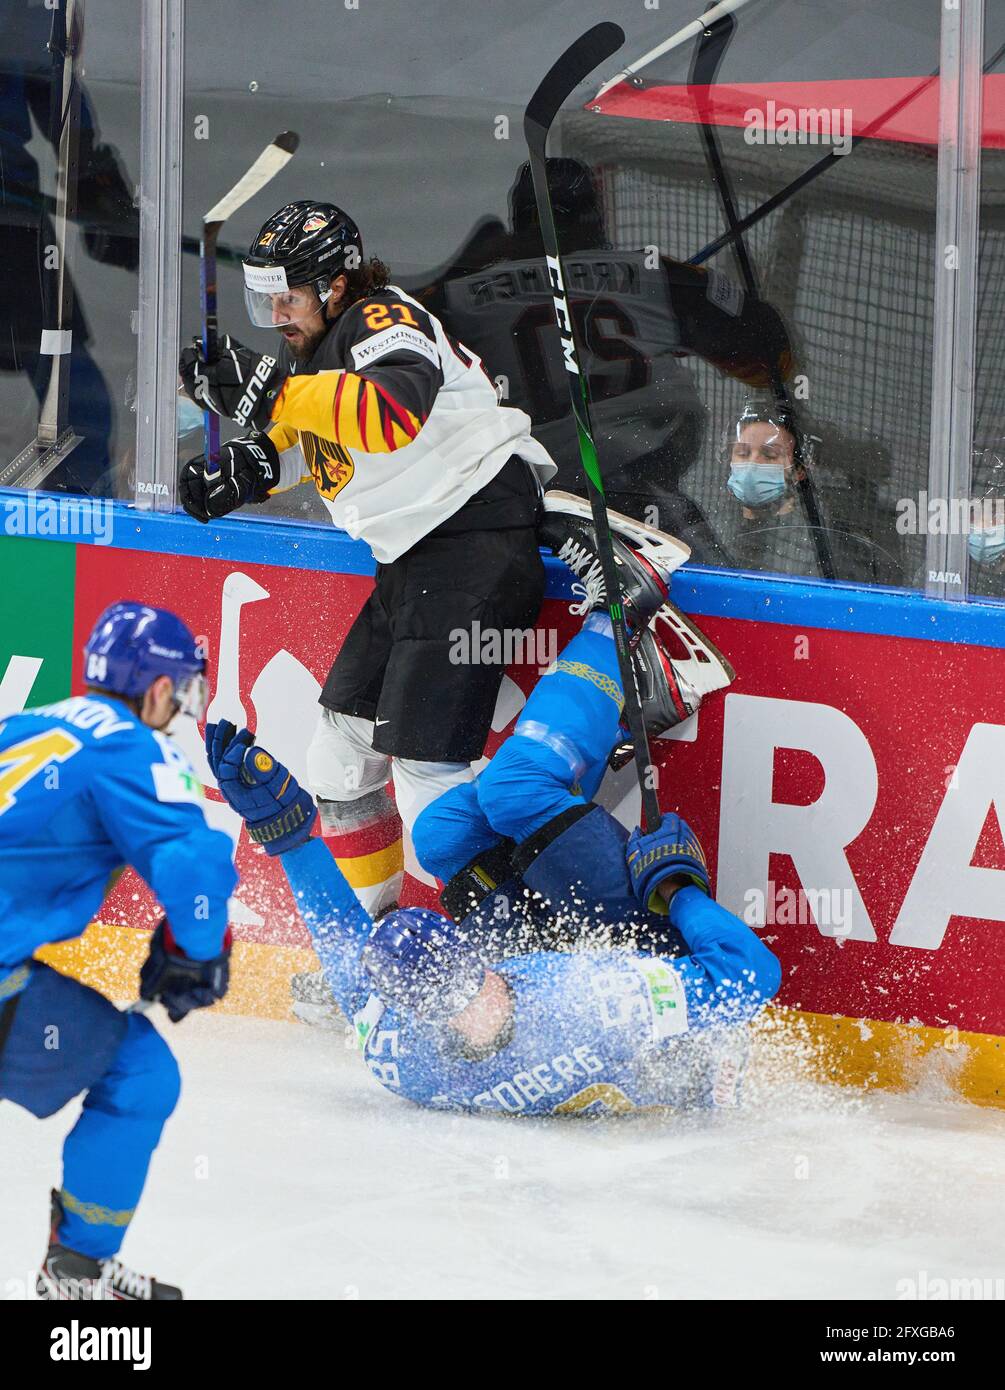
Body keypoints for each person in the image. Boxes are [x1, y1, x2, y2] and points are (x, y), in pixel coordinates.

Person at [207, 570, 777, 1116]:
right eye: (463, 1001)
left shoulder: (398, 1048)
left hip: (556, 962)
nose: (485, 997)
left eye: (472, 976)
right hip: (643, 965)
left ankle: (614, 717)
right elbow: (752, 972)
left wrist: (286, 834)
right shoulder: (589, 1004)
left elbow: (343, 939)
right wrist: (678, 890)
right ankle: (618, 616)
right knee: (516, 788)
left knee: (440, 837)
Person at [0, 603, 236, 1299]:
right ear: (158, 690)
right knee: (139, 1072)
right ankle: (76, 1274)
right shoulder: (132, 745)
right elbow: (195, 863)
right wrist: (196, 952)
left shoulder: (28, 723)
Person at [413, 157, 794, 563]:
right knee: (714, 608)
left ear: (518, 222)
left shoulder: (452, 301)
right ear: (597, 217)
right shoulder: (656, 277)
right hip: (644, 497)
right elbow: (775, 358)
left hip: (521, 508)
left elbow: (397, 390)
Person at [716, 400, 904, 584]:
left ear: (799, 471)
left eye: (769, 455)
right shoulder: (715, 522)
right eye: (742, 453)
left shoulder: (822, 539)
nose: (753, 463)